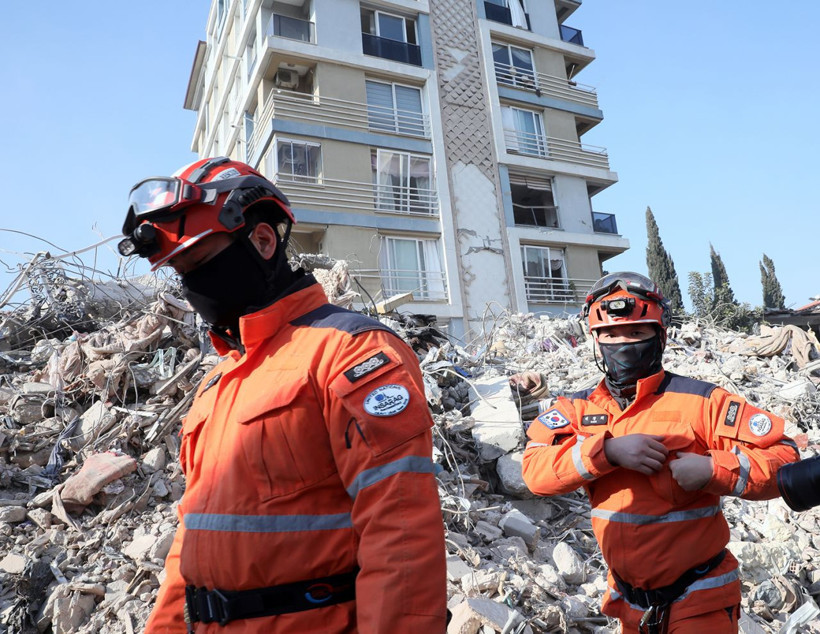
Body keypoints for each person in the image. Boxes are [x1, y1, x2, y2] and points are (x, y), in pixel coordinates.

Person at [119, 157, 447, 633]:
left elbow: (400, 531)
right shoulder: (219, 382)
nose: (193, 286)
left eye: (201, 263)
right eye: (181, 271)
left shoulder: (349, 351)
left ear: (263, 241)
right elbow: (192, 539)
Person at [519, 272, 799, 634]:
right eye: (610, 334)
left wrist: (714, 469)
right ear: (595, 340)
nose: (622, 343)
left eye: (636, 333)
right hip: (628, 605)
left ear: (660, 335)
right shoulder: (576, 407)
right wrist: (607, 451)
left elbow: (785, 455)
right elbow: (534, 473)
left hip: (700, 600)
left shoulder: (703, 402)